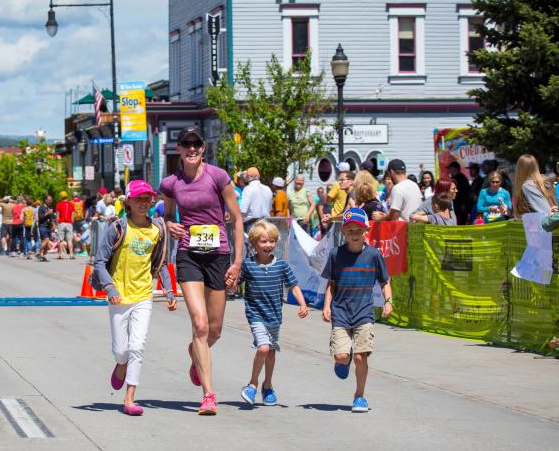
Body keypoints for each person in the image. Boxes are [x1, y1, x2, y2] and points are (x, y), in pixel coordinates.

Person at [159, 127, 245, 416]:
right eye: (186, 144)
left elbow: (237, 218)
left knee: (215, 329)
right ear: (179, 149)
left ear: (203, 148)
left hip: (218, 255)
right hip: (189, 255)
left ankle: (196, 353)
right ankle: (209, 395)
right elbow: (168, 214)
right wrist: (169, 224)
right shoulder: (171, 183)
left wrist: (237, 262)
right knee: (199, 325)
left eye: (196, 144)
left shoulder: (218, 176)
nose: (192, 148)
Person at [91, 180, 177, 416]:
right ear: (127, 201)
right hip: (119, 297)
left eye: (147, 198)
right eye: (138, 198)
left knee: (137, 347)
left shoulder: (157, 230)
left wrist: (170, 291)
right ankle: (120, 364)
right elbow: (99, 261)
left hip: (143, 297)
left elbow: (160, 264)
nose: (143, 203)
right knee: (122, 351)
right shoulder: (119, 228)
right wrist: (110, 289)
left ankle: (130, 399)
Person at [322, 207, 393, 413]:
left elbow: (385, 281)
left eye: (358, 230)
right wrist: (327, 306)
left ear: (366, 231)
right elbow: (331, 283)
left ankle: (359, 396)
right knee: (342, 357)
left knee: (362, 356)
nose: (354, 234)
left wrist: (388, 301)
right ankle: (344, 359)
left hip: (364, 312)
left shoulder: (373, 255)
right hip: (341, 312)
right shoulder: (336, 254)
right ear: (343, 232)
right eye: (350, 230)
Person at [238, 220, 309, 406]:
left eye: (271, 241)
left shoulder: (281, 266)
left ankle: (267, 386)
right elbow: (234, 284)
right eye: (263, 241)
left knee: (270, 352)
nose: (268, 245)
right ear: (253, 243)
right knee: (262, 347)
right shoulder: (248, 265)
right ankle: (252, 384)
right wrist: (227, 285)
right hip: (255, 315)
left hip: (275, 316)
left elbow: (293, 286)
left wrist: (302, 304)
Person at [446, 161, 472, 225]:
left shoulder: (460, 178)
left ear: (454, 168)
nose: (448, 170)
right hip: (456, 205)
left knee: (459, 223)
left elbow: (464, 192)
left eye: (449, 168)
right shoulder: (455, 178)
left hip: (460, 206)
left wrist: (463, 204)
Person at [55, 191, 76, 259]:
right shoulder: (71, 204)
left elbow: (57, 216)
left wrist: (56, 223)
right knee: (69, 240)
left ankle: (61, 254)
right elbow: (73, 216)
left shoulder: (58, 204)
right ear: (67, 196)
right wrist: (71, 222)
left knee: (61, 240)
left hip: (61, 223)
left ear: (61, 197)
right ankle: (71, 254)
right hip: (69, 223)